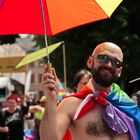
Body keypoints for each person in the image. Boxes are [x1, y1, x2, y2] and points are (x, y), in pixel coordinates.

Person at [40, 42, 140, 140]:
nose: (109, 65)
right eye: (103, 58)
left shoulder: (128, 105)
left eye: (116, 63)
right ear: (90, 62)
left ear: (120, 71)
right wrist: (51, 101)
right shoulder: (70, 105)